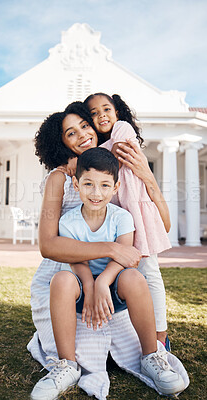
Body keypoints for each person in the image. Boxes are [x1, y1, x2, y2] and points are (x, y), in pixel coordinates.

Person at [28, 102, 188, 400]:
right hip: (69, 269)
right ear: (60, 142)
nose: (82, 135)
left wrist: (146, 175)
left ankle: (153, 353)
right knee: (67, 288)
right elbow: (48, 245)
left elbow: (157, 225)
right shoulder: (59, 178)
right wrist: (110, 249)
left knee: (136, 281)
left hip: (111, 268)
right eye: (70, 133)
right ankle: (67, 364)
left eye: (85, 126)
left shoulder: (114, 172)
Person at [83, 93, 172, 348]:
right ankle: (126, 337)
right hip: (113, 218)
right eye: (94, 113)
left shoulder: (122, 131)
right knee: (122, 276)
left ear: (117, 112)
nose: (102, 115)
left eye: (107, 109)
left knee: (148, 272)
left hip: (137, 215)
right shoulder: (94, 149)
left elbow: (112, 156)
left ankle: (160, 337)